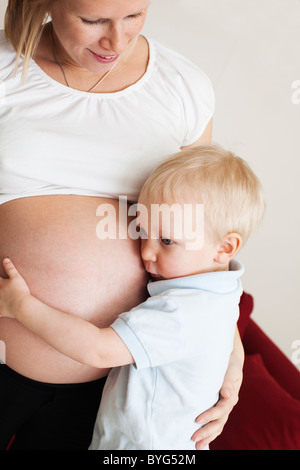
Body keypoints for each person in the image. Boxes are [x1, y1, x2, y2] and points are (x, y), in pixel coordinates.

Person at [0, 0, 243, 450]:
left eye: (134, 15)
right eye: (92, 20)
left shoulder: (182, 87)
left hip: (109, 389)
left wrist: (230, 350)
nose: (116, 40)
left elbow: (201, 228)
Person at [0, 145, 266, 450]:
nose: (147, 253)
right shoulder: (221, 288)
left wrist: (21, 306)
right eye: (142, 231)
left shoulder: (182, 313)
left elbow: (98, 350)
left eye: (167, 240)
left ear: (226, 247)